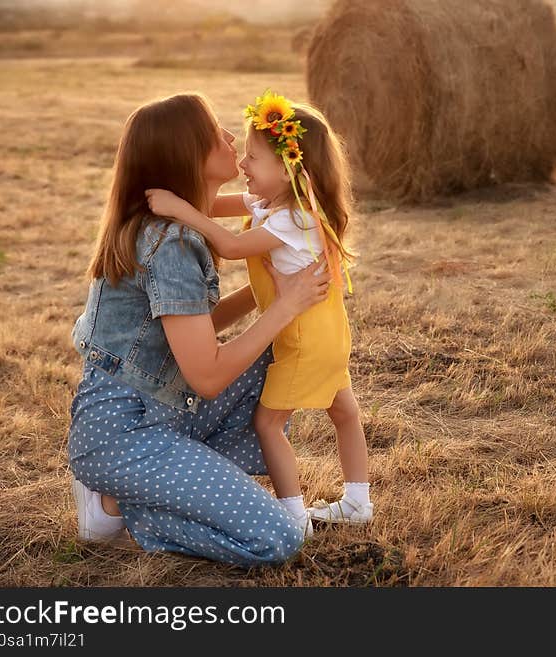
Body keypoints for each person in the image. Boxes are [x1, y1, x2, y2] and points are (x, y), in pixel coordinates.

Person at [67, 92, 331, 567]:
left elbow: (192, 333)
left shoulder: (170, 225)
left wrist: (265, 294)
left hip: (169, 411)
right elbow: (208, 375)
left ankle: (164, 482)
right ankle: (119, 504)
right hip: (126, 430)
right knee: (277, 540)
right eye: (216, 133)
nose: (231, 138)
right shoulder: (168, 242)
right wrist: (285, 307)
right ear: (186, 152)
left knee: (286, 361)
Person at [145, 91, 372, 538]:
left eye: (252, 157)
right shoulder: (275, 204)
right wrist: (183, 197)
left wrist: (177, 210)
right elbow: (211, 207)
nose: (243, 165)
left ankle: (293, 516)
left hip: (305, 341)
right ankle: (358, 501)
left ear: (288, 171)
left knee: (268, 423)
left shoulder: (293, 220)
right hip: (329, 334)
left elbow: (229, 247)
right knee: (344, 413)